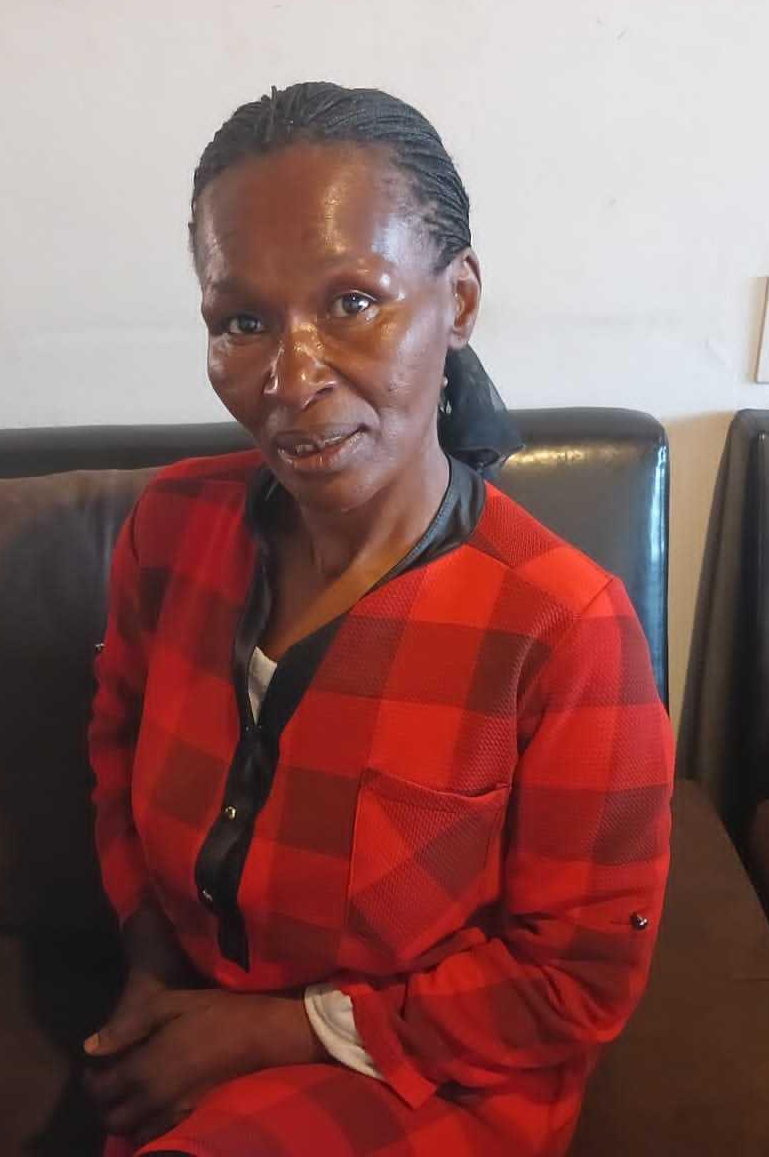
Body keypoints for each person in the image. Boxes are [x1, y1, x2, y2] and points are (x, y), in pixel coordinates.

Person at [81, 82, 674, 1157]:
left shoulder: (561, 626)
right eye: (243, 322)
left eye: (352, 302)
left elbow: (575, 977)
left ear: (460, 301)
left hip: (428, 1072)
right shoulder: (171, 530)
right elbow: (115, 748)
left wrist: (268, 1034)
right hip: (194, 1009)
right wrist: (152, 971)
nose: (291, 379)